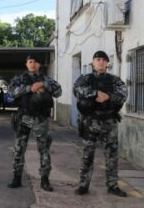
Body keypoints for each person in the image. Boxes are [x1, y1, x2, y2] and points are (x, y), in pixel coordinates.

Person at [73, 51, 128, 197]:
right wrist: (95, 93)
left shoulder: (115, 80)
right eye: (98, 59)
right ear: (93, 62)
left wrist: (108, 97)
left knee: (112, 155)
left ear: (107, 63)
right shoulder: (85, 79)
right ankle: (83, 185)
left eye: (104, 60)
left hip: (109, 121)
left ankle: (113, 185)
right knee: (87, 155)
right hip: (90, 121)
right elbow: (76, 90)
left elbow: (124, 93)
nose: (101, 62)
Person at [7, 54, 61, 191]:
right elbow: (11, 92)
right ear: (26, 64)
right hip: (25, 116)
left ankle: (45, 179)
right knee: (19, 148)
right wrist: (29, 88)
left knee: (44, 149)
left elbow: (58, 91)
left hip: (41, 118)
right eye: (30, 61)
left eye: (36, 62)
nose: (33, 64)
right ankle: (17, 178)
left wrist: (44, 84)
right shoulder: (19, 79)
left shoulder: (46, 79)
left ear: (39, 65)